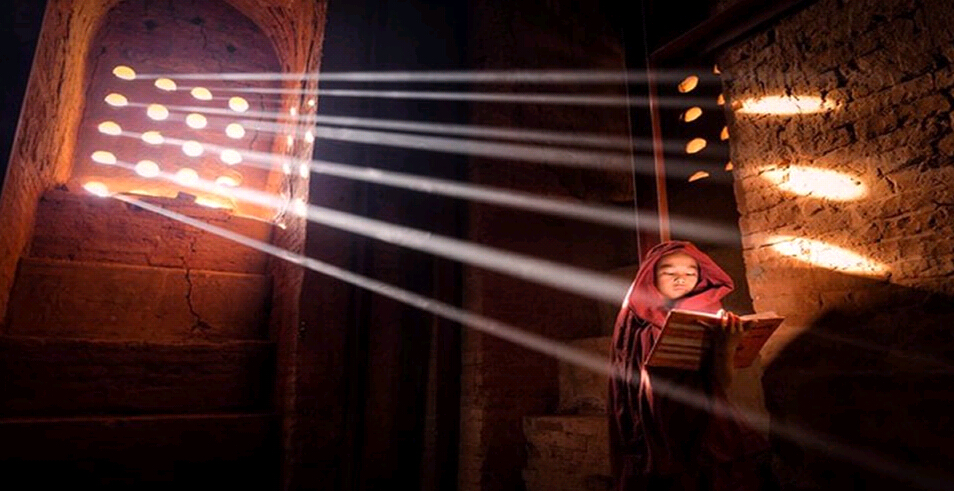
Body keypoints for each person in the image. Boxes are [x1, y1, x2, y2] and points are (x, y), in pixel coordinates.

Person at [608, 241, 772, 490]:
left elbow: (720, 383)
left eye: (690, 273)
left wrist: (726, 346)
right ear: (651, 276)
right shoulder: (638, 318)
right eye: (669, 272)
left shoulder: (708, 314)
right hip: (658, 423)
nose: (680, 279)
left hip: (704, 421)